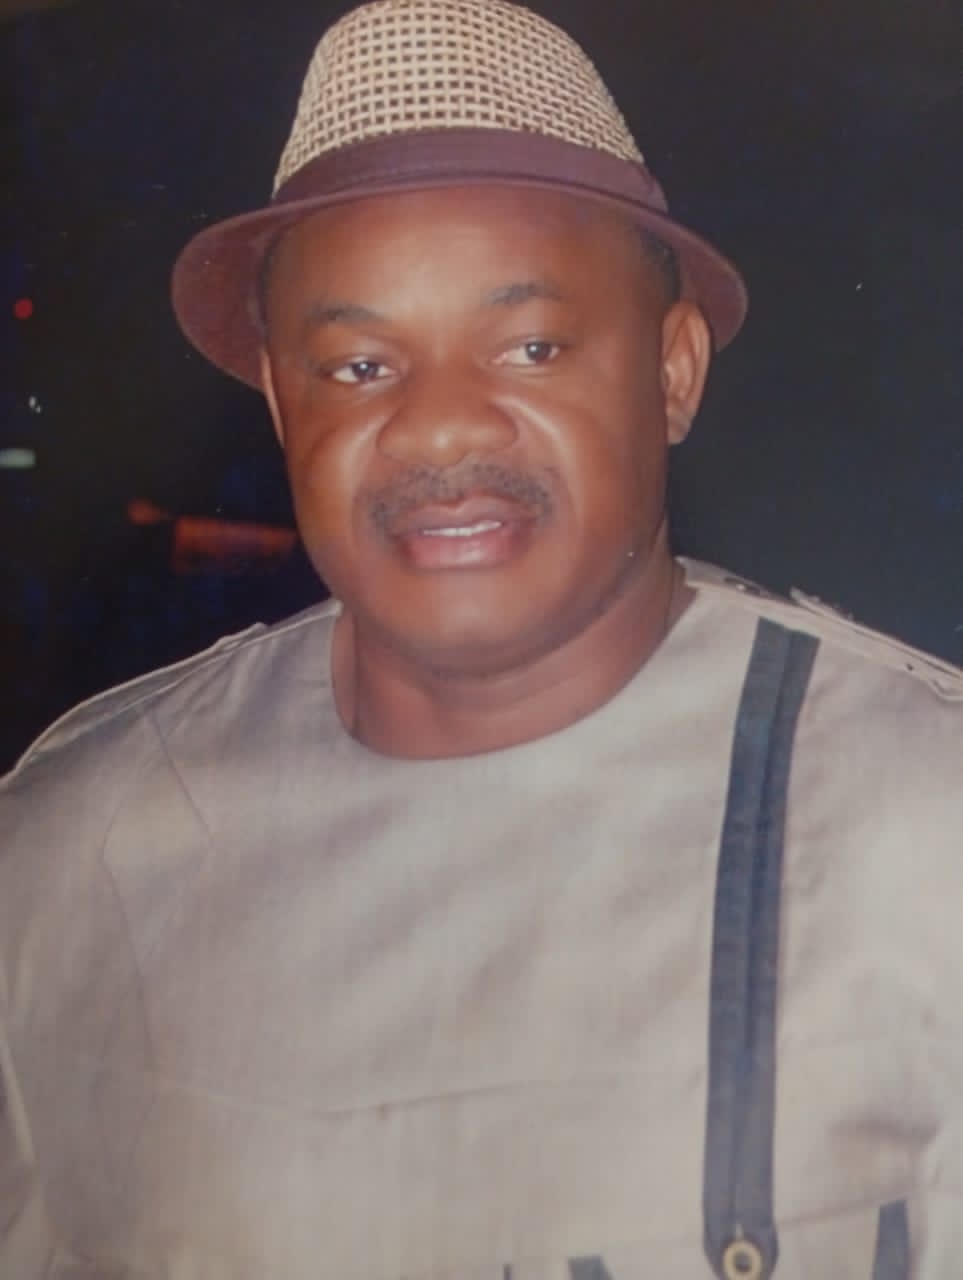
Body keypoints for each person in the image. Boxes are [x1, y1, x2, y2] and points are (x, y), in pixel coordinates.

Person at [2, 1, 961, 1276]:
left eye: (531, 345)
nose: (440, 427)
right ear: (281, 399)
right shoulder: (74, 853)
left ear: (672, 371)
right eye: (359, 366)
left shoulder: (920, 820)